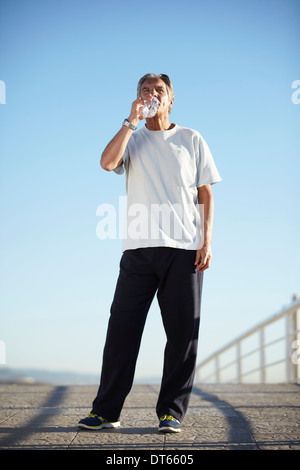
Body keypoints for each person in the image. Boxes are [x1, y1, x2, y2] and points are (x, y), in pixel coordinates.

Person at [78, 73, 221, 433]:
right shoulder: (133, 137)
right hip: (139, 251)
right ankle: (106, 411)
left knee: (182, 335)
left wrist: (206, 242)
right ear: (137, 98)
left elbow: (206, 194)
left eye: (159, 90)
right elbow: (107, 163)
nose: (152, 94)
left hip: (185, 250)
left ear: (171, 99)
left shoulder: (191, 138)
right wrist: (131, 121)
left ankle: (171, 412)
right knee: (122, 331)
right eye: (145, 90)